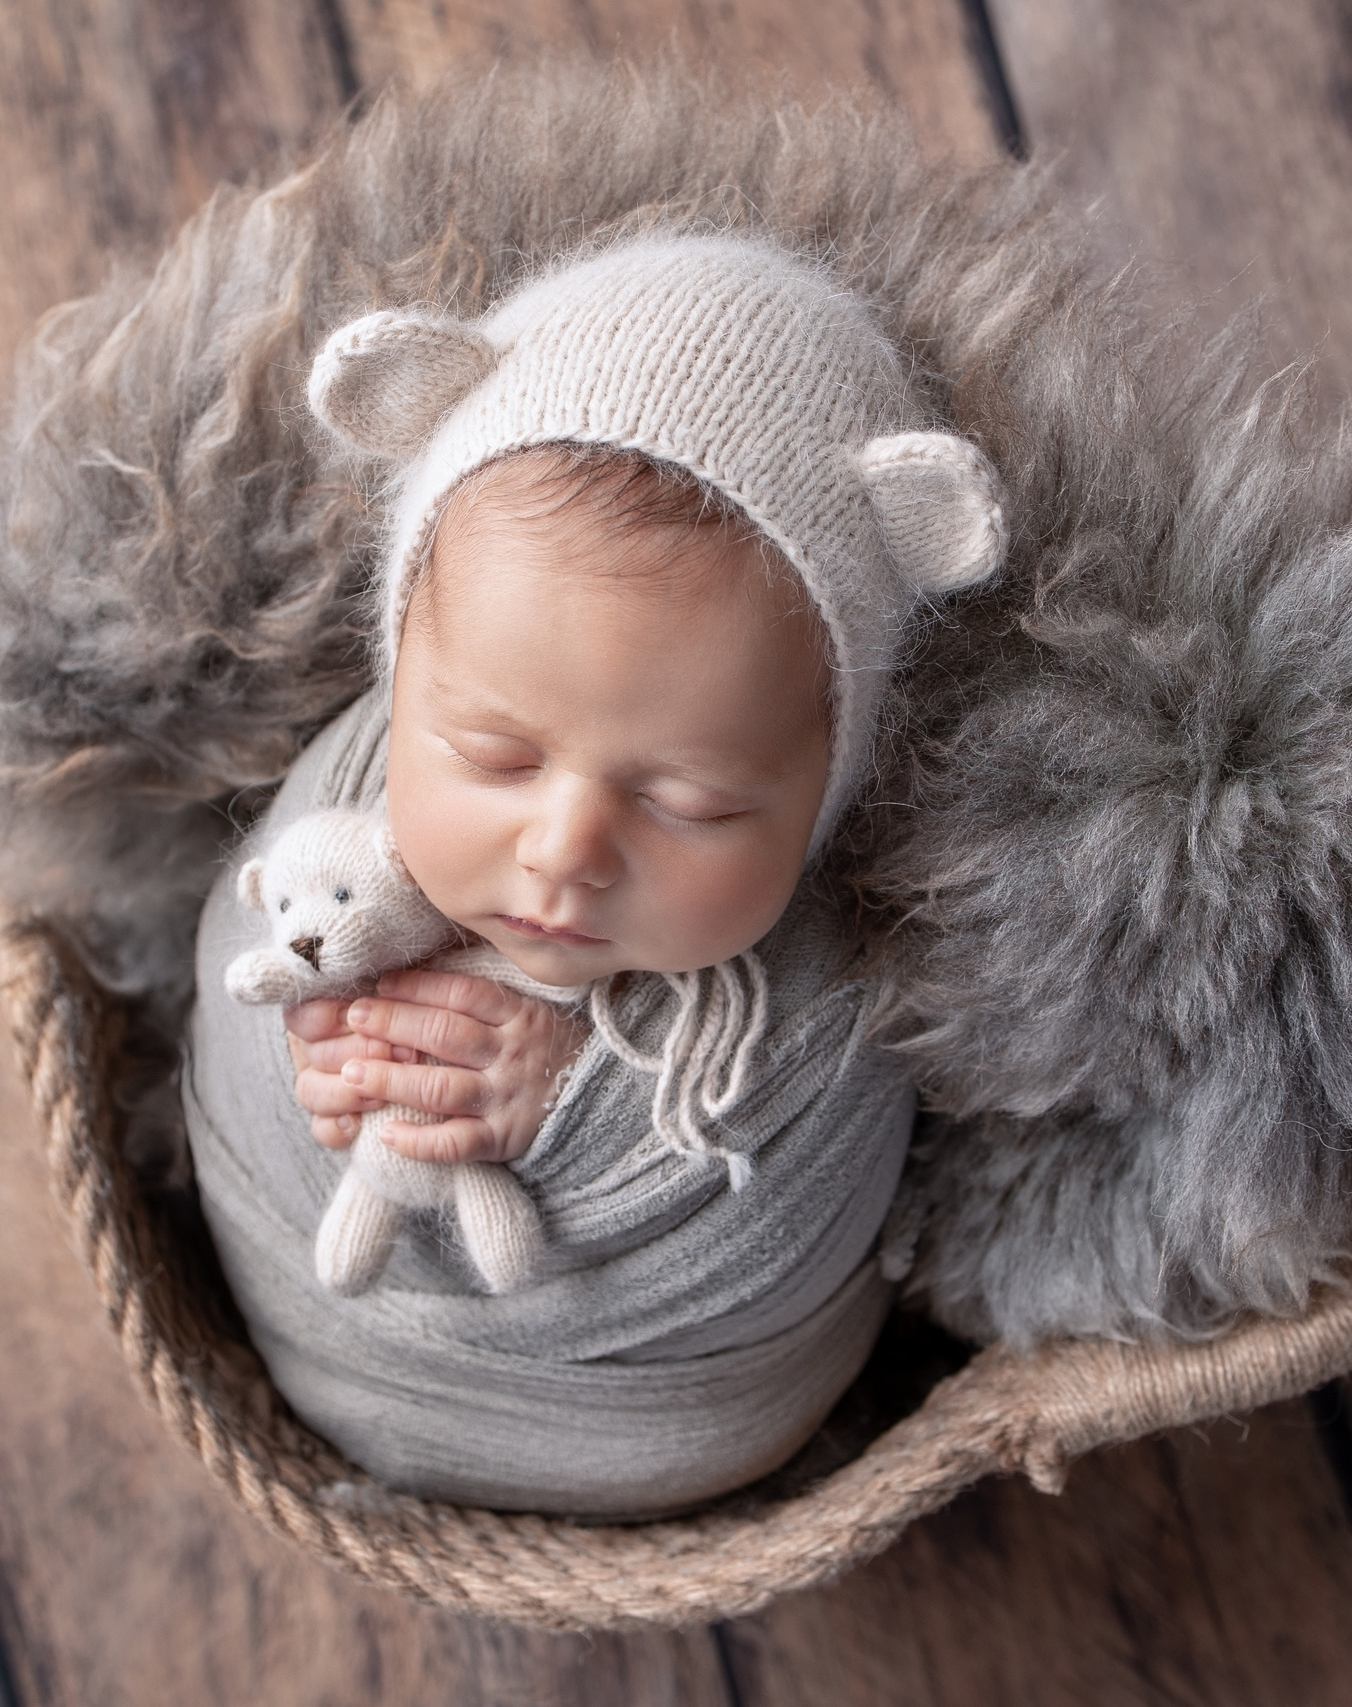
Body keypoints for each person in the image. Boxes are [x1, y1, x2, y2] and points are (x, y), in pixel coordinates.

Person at [180, 235, 1006, 1517]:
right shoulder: (343, 798)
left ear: (828, 782)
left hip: (662, 1421)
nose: (567, 848)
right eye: (494, 754)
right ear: (400, 675)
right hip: (300, 1313)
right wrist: (320, 1049)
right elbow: (226, 974)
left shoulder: (837, 975)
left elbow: (800, 1187)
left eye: (693, 800)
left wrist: (576, 1103)